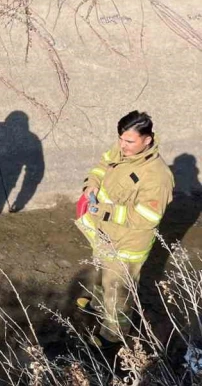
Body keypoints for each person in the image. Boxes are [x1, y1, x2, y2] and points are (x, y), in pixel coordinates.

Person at [75, 111, 174, 350]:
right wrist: (92, 185)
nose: (122, 145)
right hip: (105, 232)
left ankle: (113, 337)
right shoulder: (124, 149)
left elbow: (145, 218)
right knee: (101, 274)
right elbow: (101, 165)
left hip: (126, 244)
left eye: (129, 141)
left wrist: (104, 211)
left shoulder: (158, 178)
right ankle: (98, 304)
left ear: (147, 140)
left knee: (118, 293)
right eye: (121, 139)